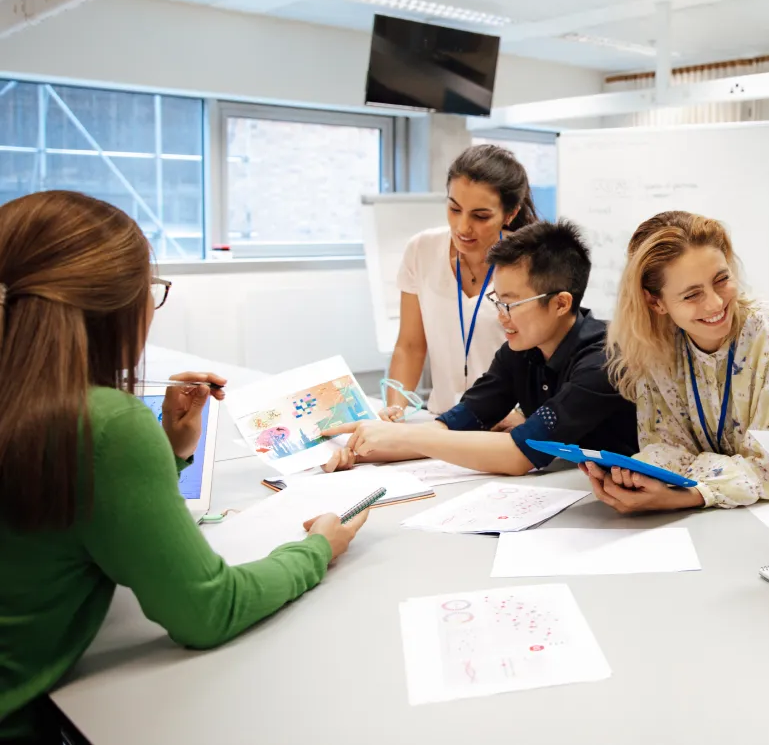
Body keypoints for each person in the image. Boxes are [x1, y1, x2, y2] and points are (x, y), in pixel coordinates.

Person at [0, 191, 367, 742]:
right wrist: (317, 550)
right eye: (151, 290)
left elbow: (60, 518)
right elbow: (207, 611)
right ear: (112, 306)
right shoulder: (102, 424)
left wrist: (170, 448)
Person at [322, 220, 636, 475]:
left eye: (510, 303)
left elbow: (519, 454)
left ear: (560, 303)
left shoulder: (603, 360)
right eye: (496, 300)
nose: (501, 316)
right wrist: (361, 449)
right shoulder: (521, 350)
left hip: (639, 512)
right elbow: (451, 427)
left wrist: (401, 435)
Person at [585, 211, 769, 513]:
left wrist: (682, 494)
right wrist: (634, 475)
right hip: (707, 517)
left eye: (721, 280)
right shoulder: (656, 346)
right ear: (656, 302)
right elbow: (667, 450)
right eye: (692, 295)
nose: (715, 303)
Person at [383, 144, 538, 421]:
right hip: (441, 419)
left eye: (480, 216)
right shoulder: (421, 250)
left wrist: (524, 416)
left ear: (510, 213)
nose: (463, 227)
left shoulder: (531, 263)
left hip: (505, 424)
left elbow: (544, 357)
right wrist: (395, 410)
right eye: (455, 209)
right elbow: (410, 345)